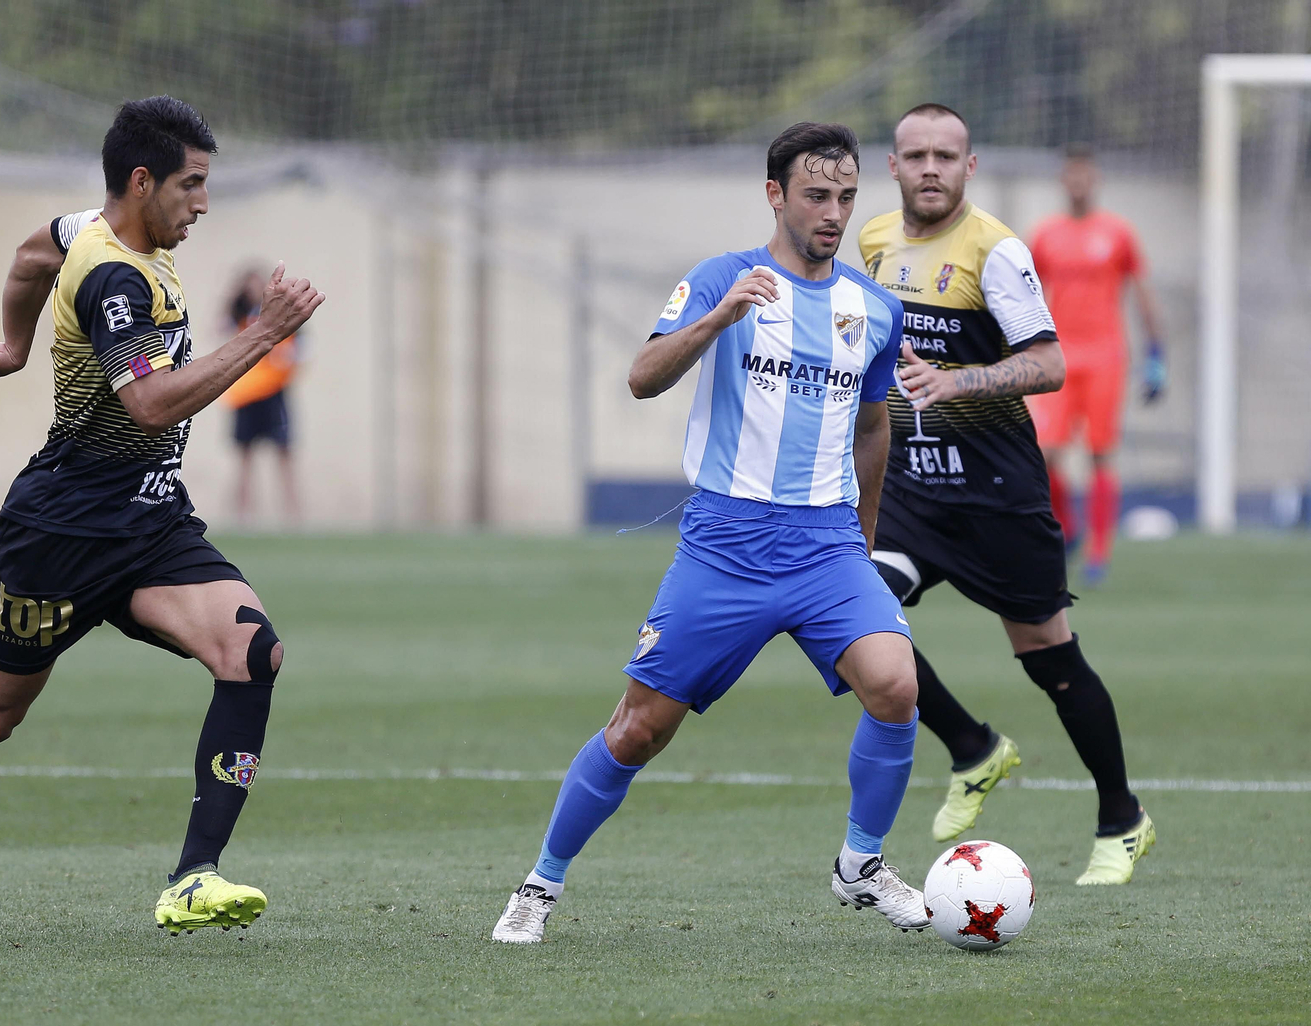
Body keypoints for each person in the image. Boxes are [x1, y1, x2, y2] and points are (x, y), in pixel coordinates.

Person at [0, 96, 325, 933]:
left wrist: (12, 348)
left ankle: (194, 877)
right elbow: (148, 405)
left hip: (148, 523)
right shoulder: (116, 273)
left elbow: (30, 252)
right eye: (192, 184)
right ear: (142, 181)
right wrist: (263, 335)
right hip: (62, 531)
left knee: (251, 649)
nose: (204, 203)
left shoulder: (91, 229)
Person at [493, 122, 928, 945]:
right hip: (726, 546)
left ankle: (860, 865)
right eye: (815, 195)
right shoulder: (722, 279)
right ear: (775, 195)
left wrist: (862, 547)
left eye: (845, 197)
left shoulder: (873, 309)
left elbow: (875, 427)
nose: (833, 213)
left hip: (827, 549)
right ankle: (538, 885)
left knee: (897, 686)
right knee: (638, 728)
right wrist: (718, 319)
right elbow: (641, 377)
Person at [858, 103, 1154, 886]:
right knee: (856, 617)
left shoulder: (996, 250)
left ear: (969, 166)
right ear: (892, 166)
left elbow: (1050, 363)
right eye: (915, 154)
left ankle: (1122, 818)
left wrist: (956, 382)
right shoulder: (875, 242)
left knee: (1050, 660)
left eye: (945, 156)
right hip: (915, 488)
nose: (930, 168)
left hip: (997, 490)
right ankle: (972, 746)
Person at [1027, 143, 1166, 585]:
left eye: (1085, 174)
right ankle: (1070, 529)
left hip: (1107, 357)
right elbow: (1026, 296)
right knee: (1046, 453)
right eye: (1072, 175)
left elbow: (1141, 292)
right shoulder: (1046, 235)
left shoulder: (1118, 233)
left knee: (1101, 453)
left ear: (1095, 179)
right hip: (1059, 359)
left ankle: (1099, 553)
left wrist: (1156, 354)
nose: (1078, 183)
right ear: (1063, 181)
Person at [222, 268, 302, 524]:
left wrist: (286, 360)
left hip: (274, 392)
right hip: (246, 395)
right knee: (244, 456)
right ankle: (242, 516)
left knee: (284, 453)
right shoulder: (238, 316)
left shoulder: (282, 315)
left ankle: (293, 516)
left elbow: (300, 348)